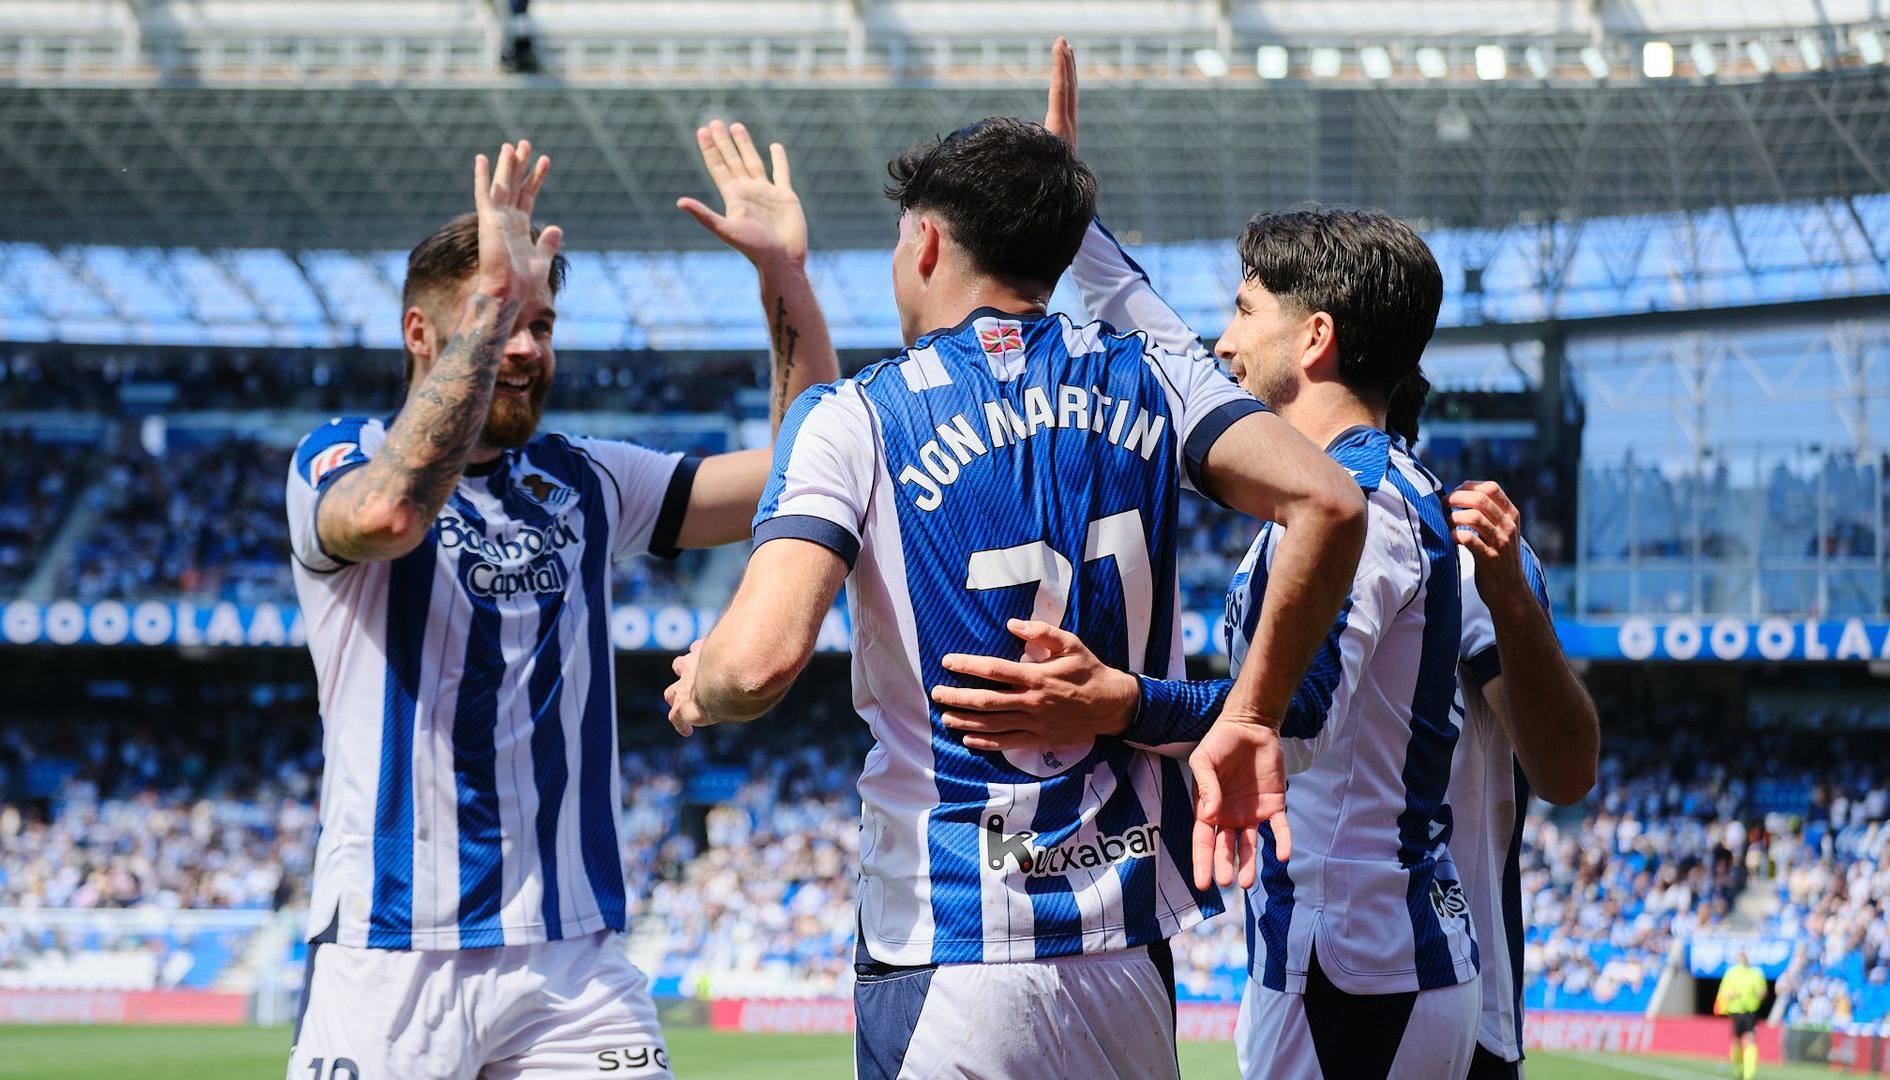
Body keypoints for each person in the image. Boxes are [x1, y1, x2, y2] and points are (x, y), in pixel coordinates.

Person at [661, 102, 1368, 1077]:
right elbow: (1329, 502)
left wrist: (707, 684)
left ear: (926, 242)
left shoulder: (858, 416)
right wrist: (1247, 713)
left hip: (949, 946)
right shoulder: (1158, 376)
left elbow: (761, 661)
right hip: (1124, 946)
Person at [935, 40, 1479, 1079]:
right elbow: (1164, 340)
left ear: (1313, 338)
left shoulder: (1359, 497)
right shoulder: (1350, 481)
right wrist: (1064, 216)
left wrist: (1115, 701)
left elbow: (1297, 720)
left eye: (1242, 310)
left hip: (1357, 969)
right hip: (1352, 958)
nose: (1221, 343)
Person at [283, 127, 838, 1079]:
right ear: (422, 335)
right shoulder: (338, 456)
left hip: (573, 956)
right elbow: (385, 516)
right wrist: (495, 303)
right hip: (393, 949)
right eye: (502, 320)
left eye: (540, 325)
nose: (527, 346)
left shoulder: (586, 478)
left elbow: (804, 472)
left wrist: (784, 281)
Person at [1388, 378, 1602, 1080]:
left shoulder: (1459, 546)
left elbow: (1567, 772)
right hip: (1295, 990)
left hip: (1451, 1003)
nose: (1228, 346)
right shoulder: (1278, 543)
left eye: (1248, 311)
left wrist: (1508, 594)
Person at [1717, 951, 1769, 1080]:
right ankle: (1738, 1068)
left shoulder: (1756, 974)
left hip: (1750, 1011)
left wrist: (1759, 995)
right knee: (1736, 1040)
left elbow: (1762, 991)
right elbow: (1724, 991)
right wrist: (1732, 995)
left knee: (1749, 1039)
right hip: (1736, 1011)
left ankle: (1749, 1074)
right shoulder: (1731, 973)